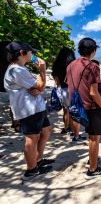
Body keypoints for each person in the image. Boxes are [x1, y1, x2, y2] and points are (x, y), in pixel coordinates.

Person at [4, 41, 54, 180]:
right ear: (22, 53)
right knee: (31, 138)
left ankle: (37, 159)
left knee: (46, 130)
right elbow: (40, 86)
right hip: (29, 109)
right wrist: (42, 70)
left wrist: (37, 87)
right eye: (31, 52)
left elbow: (38, 87)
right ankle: (31, 170)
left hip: (36, 107)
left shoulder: (20, 69)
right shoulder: (16, 70)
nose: (33, 55)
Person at [66, 37, 101, 179]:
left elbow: (70, 85)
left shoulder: (71, 65)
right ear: (93, 50)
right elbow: (93, 92)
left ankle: (92, 160)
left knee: (91, 136)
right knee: (94, 138)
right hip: (92, 107)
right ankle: (93, 169)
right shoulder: (92, 66)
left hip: (77, 106)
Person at [51, 47, 79, 138]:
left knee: (65, 110)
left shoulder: (56, 64)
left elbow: (56, 81)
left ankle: (66, 128)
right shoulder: (73, 65)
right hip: (71, 89)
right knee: (73, 111)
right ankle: (72, 130)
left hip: (61, 89)